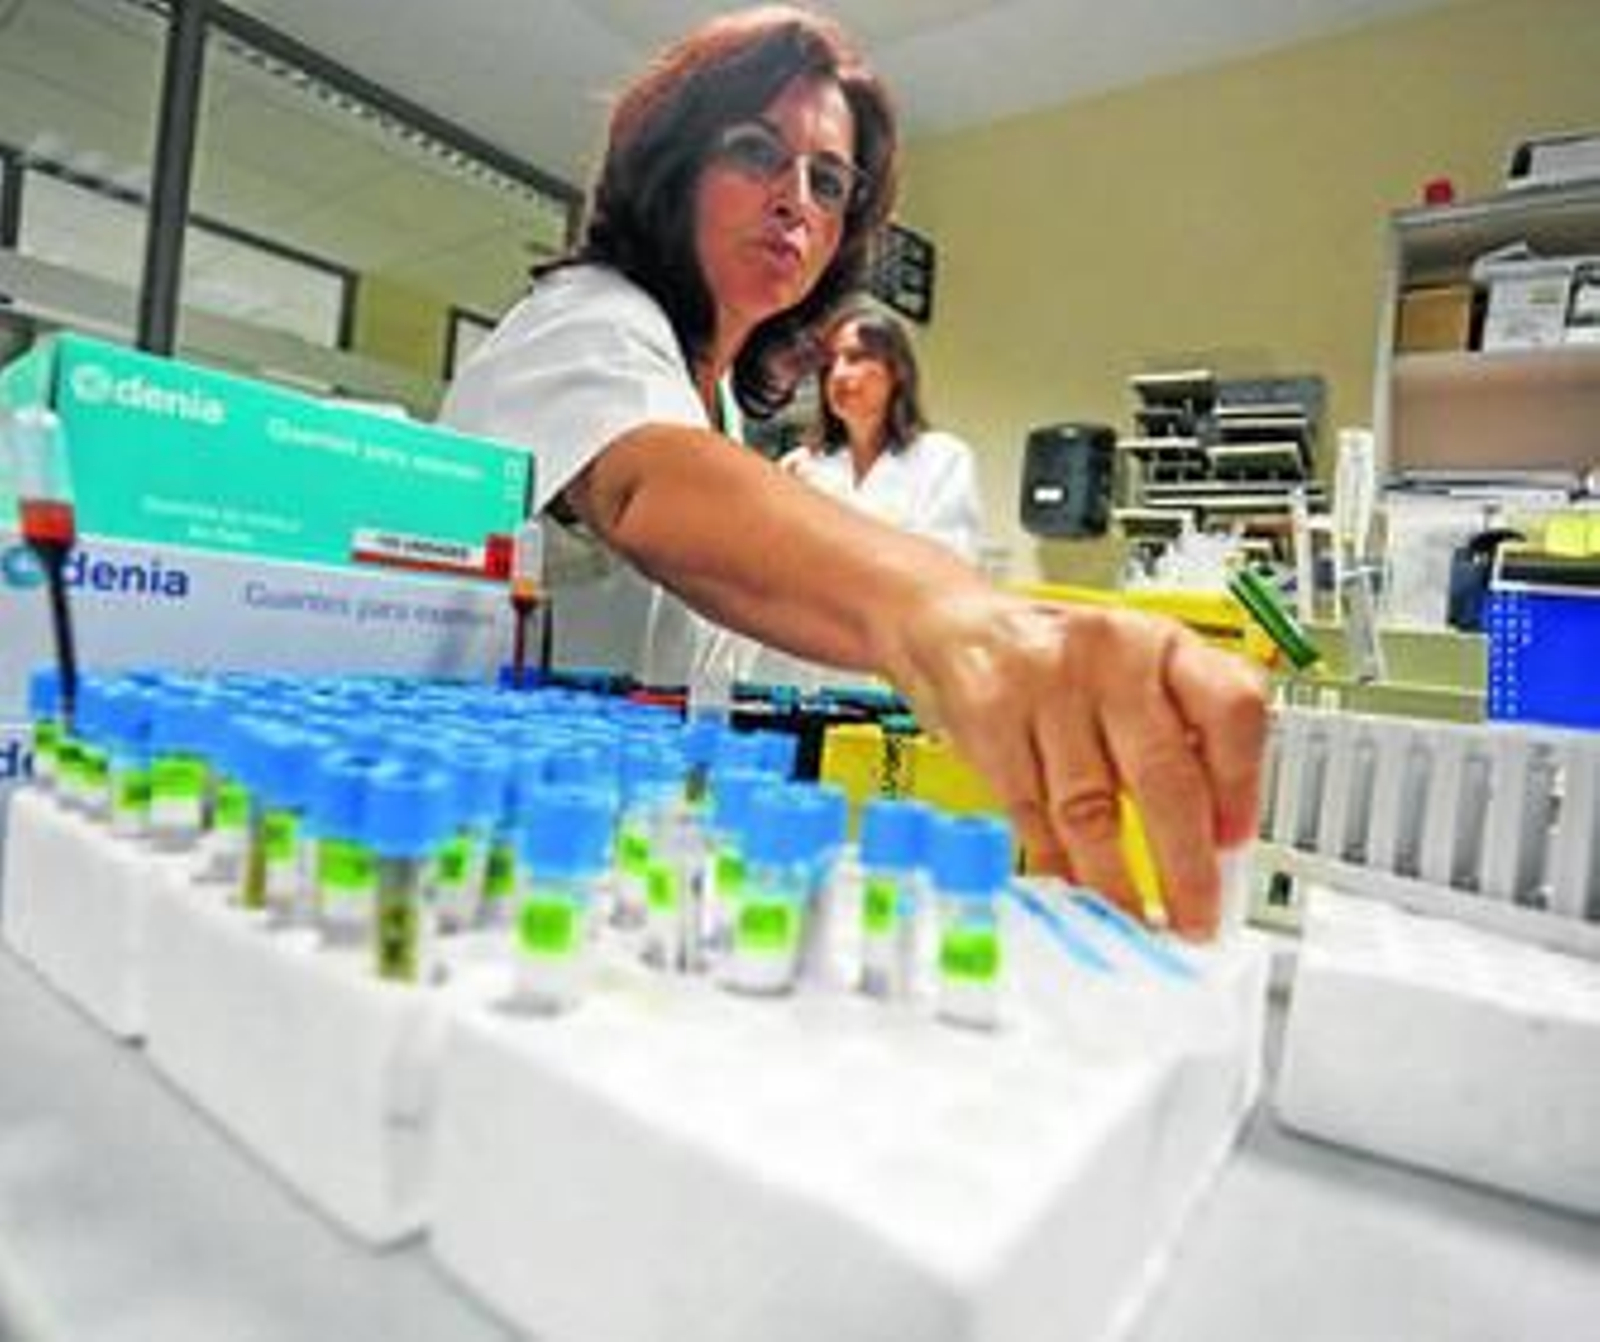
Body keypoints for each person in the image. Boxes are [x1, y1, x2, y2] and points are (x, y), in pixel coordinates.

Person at [441, 5, 1265, 938]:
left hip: (604, 853)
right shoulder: (586, 317)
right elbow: (650, 488)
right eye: (756, 151)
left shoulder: (704, 397)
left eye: (828, 181)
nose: (796, 199)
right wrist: (962, 620)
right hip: (463, 843)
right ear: (669, 170)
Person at [783, 302, 983, 564]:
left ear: (897, 370)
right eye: (830, 365)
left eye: (856, 357)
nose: (838, 374)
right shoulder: (803, 467)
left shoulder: (943, 458)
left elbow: (950, 564)